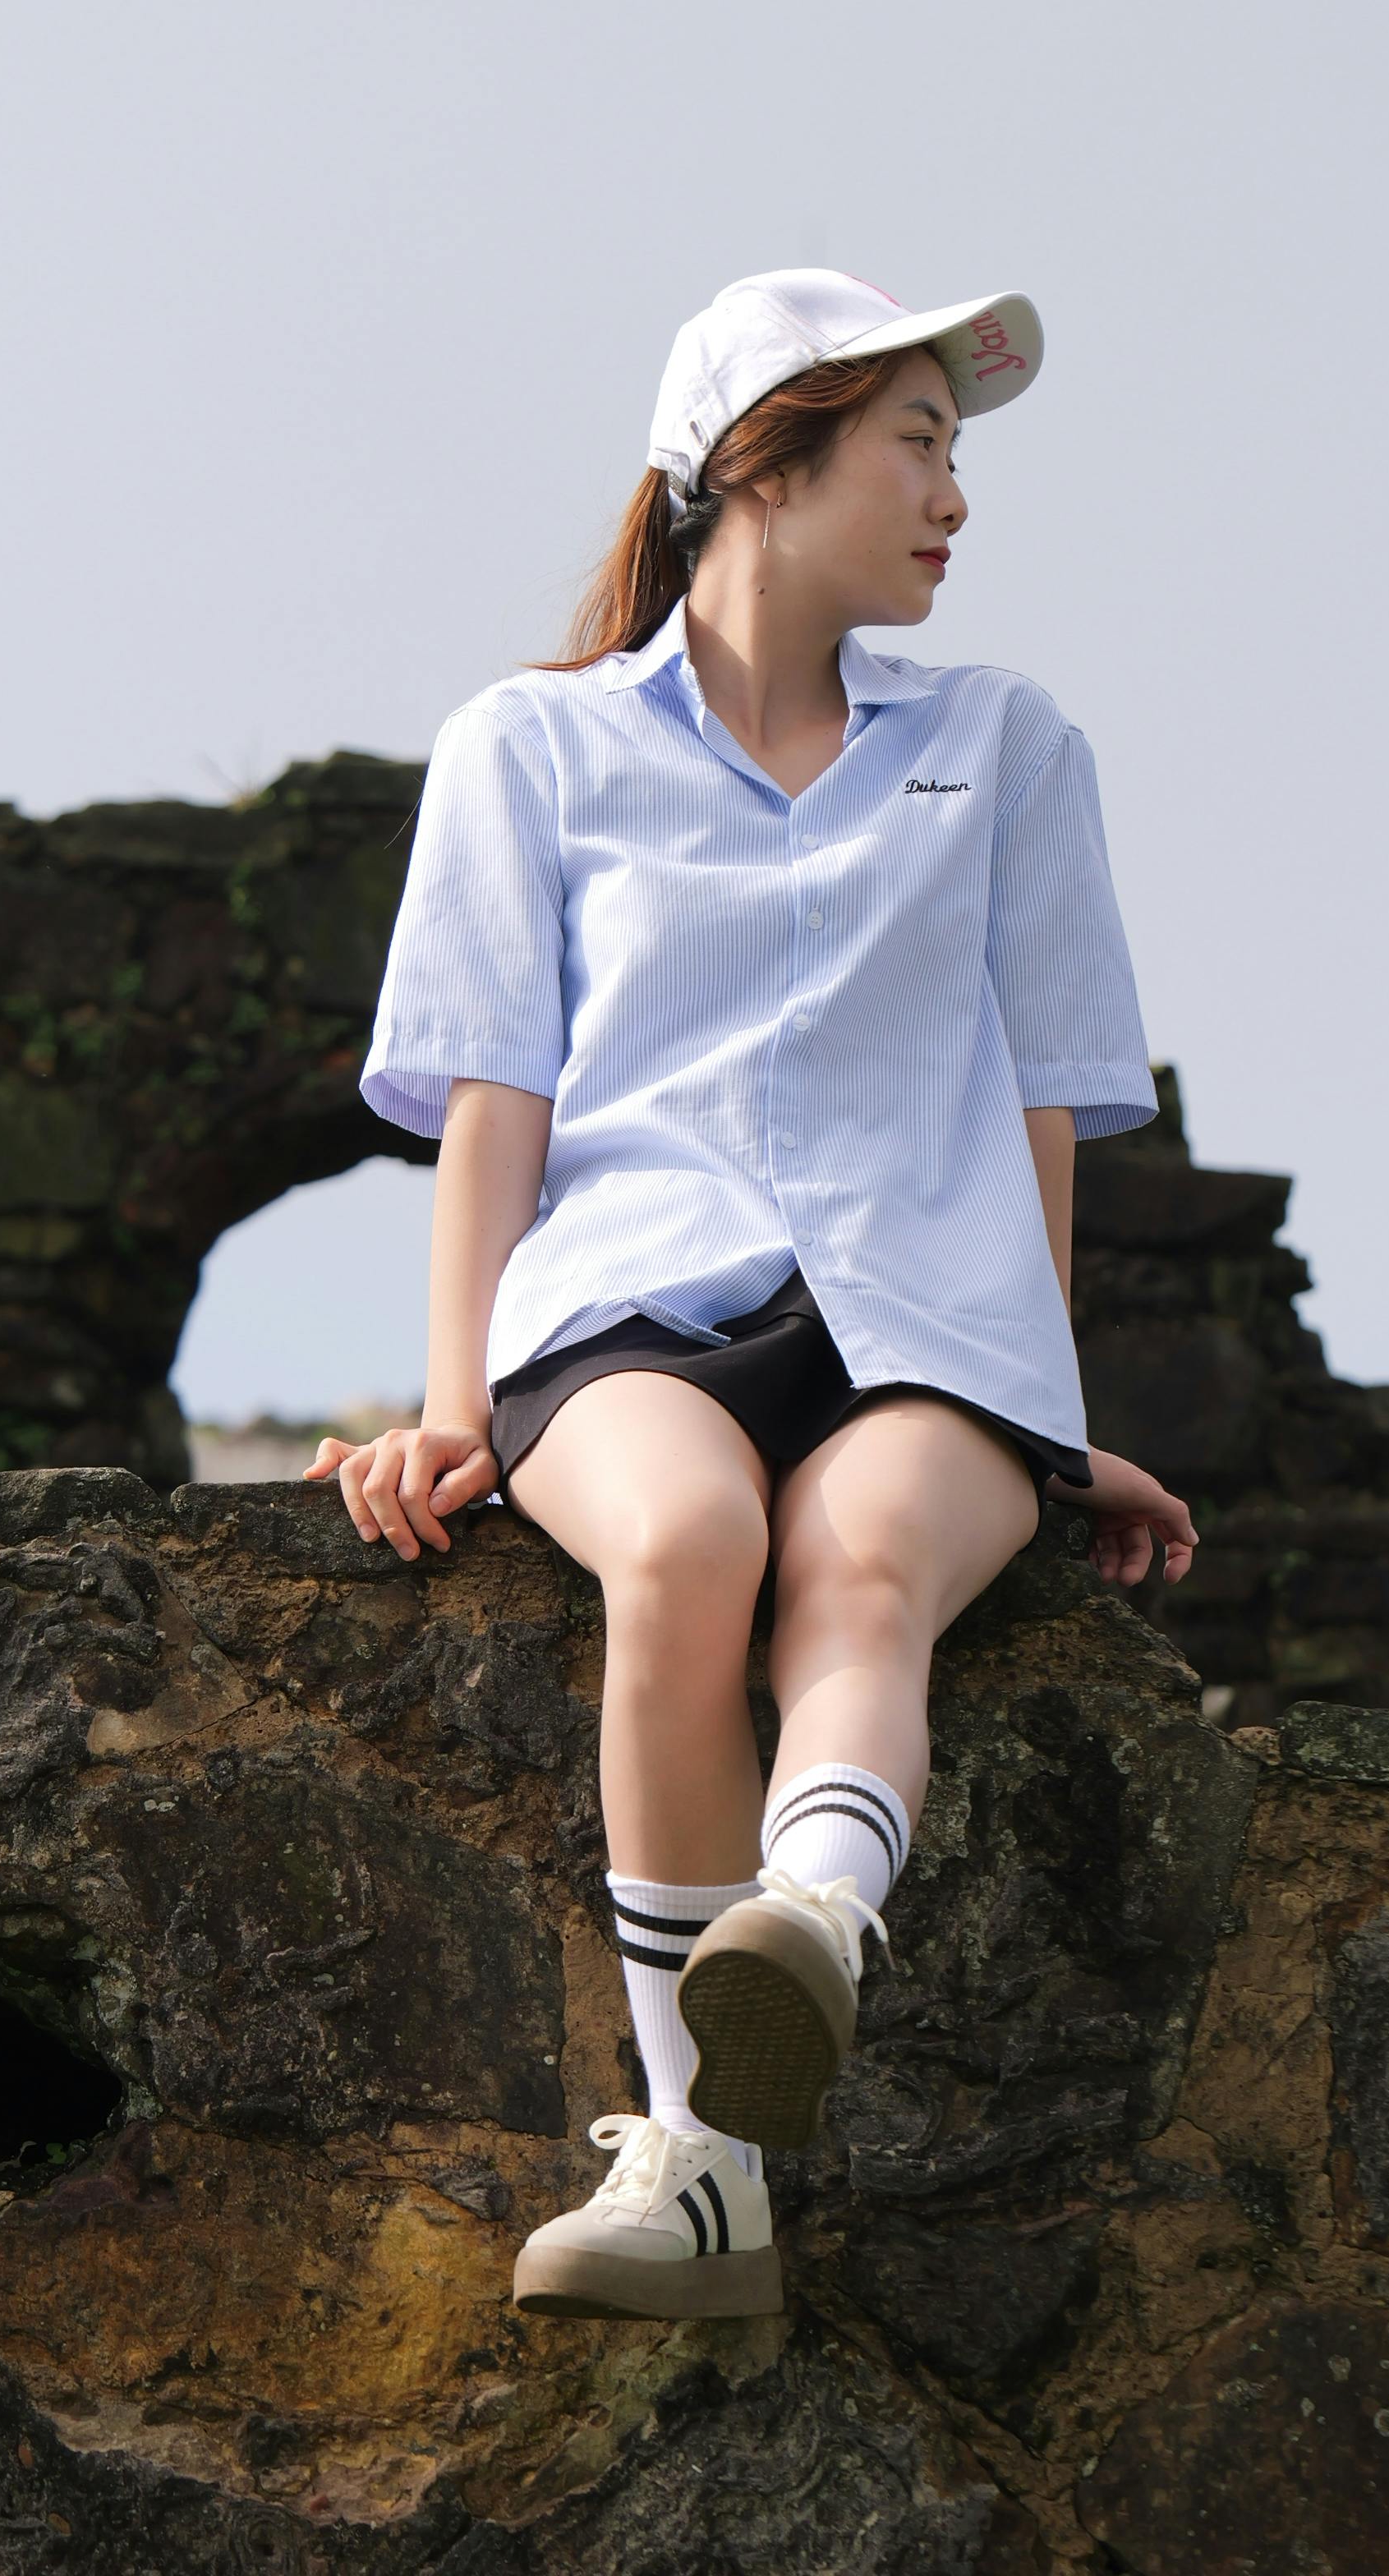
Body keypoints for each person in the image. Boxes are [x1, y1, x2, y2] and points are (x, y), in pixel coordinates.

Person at [306, 267, 1196, 2323]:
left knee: (867, 1565)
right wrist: (451, 1402)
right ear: (762, 466)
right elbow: (495, 1109)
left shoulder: (1009, 746)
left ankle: (807, 1921)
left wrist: (1049, 1414)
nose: (956, 495)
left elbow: (1045, 1113)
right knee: (688, 1542)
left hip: (933, 1329)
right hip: (626, 1307)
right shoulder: (530, 748)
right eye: (919, 442)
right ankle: (705, 2164)